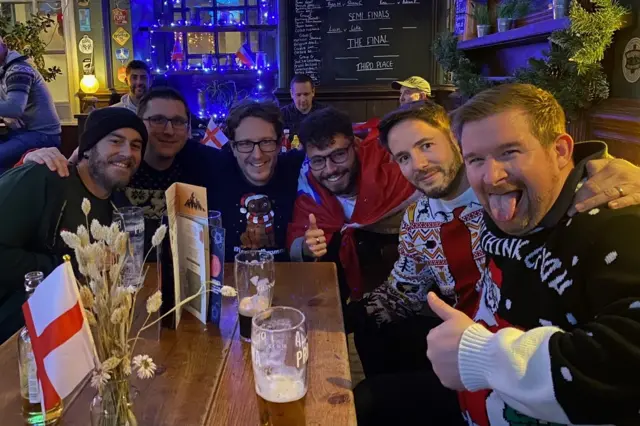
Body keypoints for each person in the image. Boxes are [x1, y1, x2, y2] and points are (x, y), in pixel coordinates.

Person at [350, 98, 640, 425]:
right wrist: (343, 317)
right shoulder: (420, 217)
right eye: (404, 157)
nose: (418, 164)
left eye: (426, 145)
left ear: (454, 143)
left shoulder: (512, 201)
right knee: (371, 342)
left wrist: (609, 165)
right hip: (473, 335)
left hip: (502, 351)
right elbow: (404, 288)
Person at [22, 95, 306, 262]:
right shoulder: (119, 164)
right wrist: (42, 155)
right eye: (156, 121)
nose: (168, 130)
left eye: (178, 122)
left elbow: (329, 152)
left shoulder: (204, 161)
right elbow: (91, 159)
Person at [0, 107, 146, 344]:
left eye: (136, 146)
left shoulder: (120, 207)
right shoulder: (44, 178)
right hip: (16, 336)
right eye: (115, 141)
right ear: (87, 148)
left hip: (77, 337)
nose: (127, 152)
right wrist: (70, 268)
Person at [287, 107, 418, 309]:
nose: (330, 169)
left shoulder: (393, 168)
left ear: (355, 144)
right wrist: (307, 247)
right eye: (318, 160)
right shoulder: (309, 189)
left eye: (338, 154)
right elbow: (298, 239)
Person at [208, 100, 305, 261]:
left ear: (280, 143)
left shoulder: (297, 167)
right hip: (230, 282)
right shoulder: (213, 172)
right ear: (233, 147)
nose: (257, 155)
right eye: (245, 143)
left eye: (266, 142)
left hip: (288, 280)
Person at [0, 35, 61, 174]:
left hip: (42, 136)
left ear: (4, 46)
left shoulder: (19, 69)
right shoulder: (4, 70)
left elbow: (14, 108)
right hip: (21, 134)